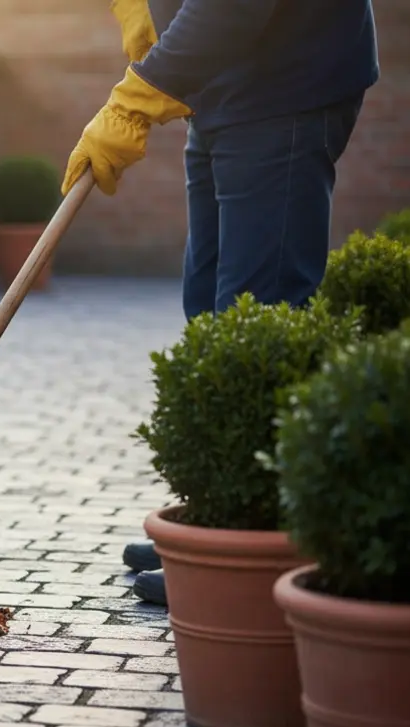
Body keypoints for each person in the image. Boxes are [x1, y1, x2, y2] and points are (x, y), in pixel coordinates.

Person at [64, 0, 380, 606]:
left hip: (284, 82)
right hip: (223, 86)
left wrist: (137, 96)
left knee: (257, 318)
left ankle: (254, 537)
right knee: (208, 306)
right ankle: (215, 515)